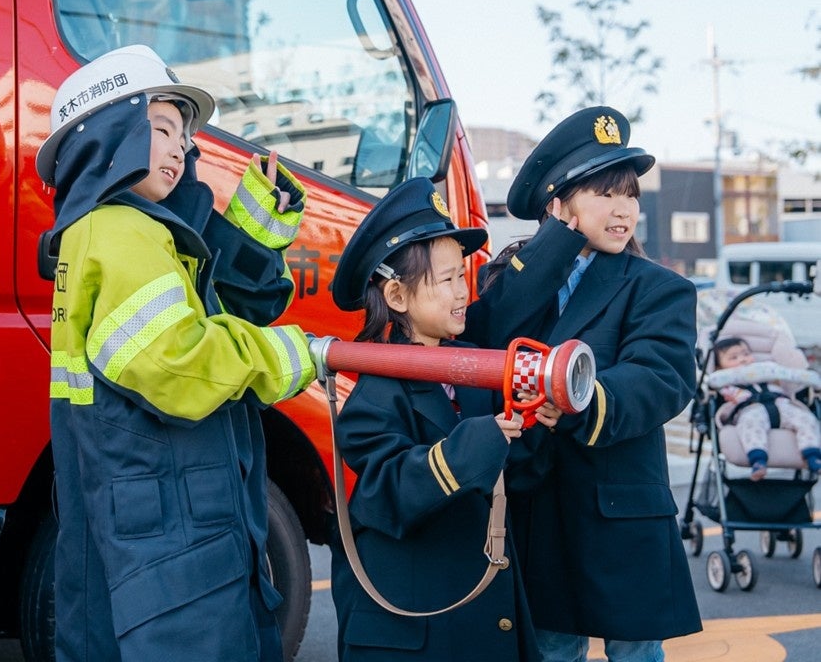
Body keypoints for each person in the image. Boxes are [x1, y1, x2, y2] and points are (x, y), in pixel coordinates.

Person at [38, 45, 316, 662]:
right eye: (161, 129)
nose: (182, 149)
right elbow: (180, 363)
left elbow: (218, 307)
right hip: (175, 541)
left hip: (153, 530)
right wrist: (293, 357)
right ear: (110, 136)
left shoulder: (118, 231)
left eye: (184, 137)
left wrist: (254, 226)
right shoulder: (121, 231)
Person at [463, 106, 702, 662]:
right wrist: (554, 246)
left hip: (620, 508)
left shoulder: (659, 287)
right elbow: (490, 333)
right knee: (551, 650)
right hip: (541, 509)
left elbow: (661, 375)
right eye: (603, 194)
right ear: (558, 203)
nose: (623, 211)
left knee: (636, 654)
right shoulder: (517, 279)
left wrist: (581, 398)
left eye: (631, 195)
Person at [326, 176, 544, 661]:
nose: (462, 291)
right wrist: (479, 442)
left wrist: (537, 422)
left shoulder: (476, 367)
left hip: (480, 619)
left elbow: (514, 472)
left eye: (461, 276)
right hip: (419, 631)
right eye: (445, 281)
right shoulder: (376, 387)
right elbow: (391, 492)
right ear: (398, 298)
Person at [712, 336, 821, 480]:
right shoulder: (726, 384)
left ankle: (812, 456)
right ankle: (758, 459)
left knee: (806, 419)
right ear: (719, 367)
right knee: (750, 424)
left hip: (782, 405)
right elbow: (713, 384)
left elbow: (790, 384)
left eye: (746, 354)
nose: (743, 359)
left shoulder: (769, 373)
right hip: (751, 409)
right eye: (734, 358)